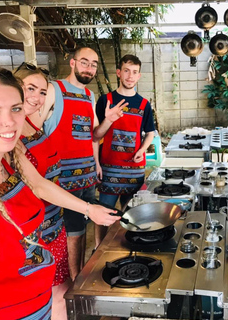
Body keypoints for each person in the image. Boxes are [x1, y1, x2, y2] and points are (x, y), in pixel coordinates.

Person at [0, 69, 119, 319]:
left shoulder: (11, 153)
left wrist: (89, 209)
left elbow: (39, 184)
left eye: (15, 109)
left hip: (40, 305)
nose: (9, 121)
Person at [41, 46, 103, 280]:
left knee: (81, 230)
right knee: (72, 233)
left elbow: (93, 135)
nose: (89, 68)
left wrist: (96, 163)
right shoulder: (53, 89)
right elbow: (37, 129)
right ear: (73, 63)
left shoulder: (89, 96)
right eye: (84, 62)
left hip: (87, 176)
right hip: (61, 181)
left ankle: (77, 278)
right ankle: (74, 282)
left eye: (93, 64)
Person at [15, 63, 69, 320]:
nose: (36, 98)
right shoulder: (9, 135)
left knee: (60, 291)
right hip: (33, 235)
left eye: (43, 92)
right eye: (30, 89)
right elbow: (36, 184)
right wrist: (89, 208)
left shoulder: (31, 123)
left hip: (54, 224)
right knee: (40, 300)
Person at [93, 54, 155, 242]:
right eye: (126, 71)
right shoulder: (106, 100)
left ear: (139, 76)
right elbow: (95, 135)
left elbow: (150, 132)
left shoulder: (144, 104)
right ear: (119, 73)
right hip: (109, 168)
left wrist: (142, 150)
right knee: (104, 213)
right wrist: (96, 164)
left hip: (134, 170)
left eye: (134, 72)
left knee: (132, 214)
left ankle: (125, 245)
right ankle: (98, 247)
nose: (130, 76)